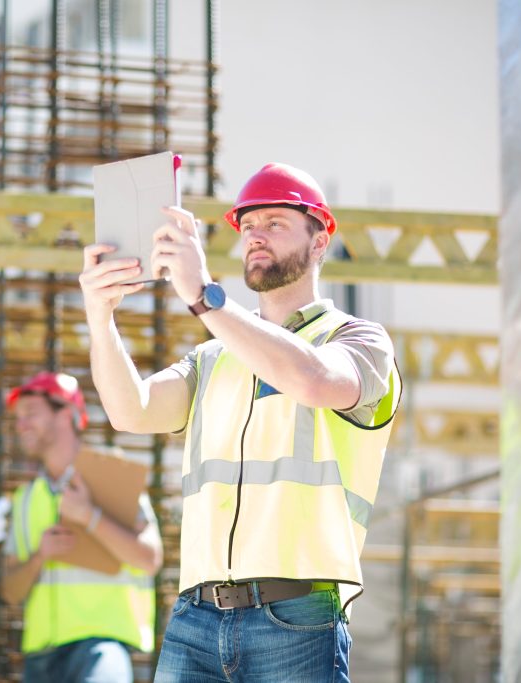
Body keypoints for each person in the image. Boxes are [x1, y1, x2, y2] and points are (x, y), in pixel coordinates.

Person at [78, 163, 401, 682]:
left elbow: (316, 382)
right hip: (197, 617)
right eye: (248, 226)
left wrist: (206, 295)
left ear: (320, 241)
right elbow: (130, 410)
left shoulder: (359, 340)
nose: (256, 236)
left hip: (296, 617)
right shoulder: (213, 356)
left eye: (275, 223)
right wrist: (99, 315)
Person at [1, 371, 163, 683]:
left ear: (67, 415)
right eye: (18, 417)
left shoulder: (111, 475)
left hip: (100, 648)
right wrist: (39, 556)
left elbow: (149, 559)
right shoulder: (24, 499)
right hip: (40, 657)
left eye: (31, 414)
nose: (20, 425)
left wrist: (90, 516)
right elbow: (11, 591)